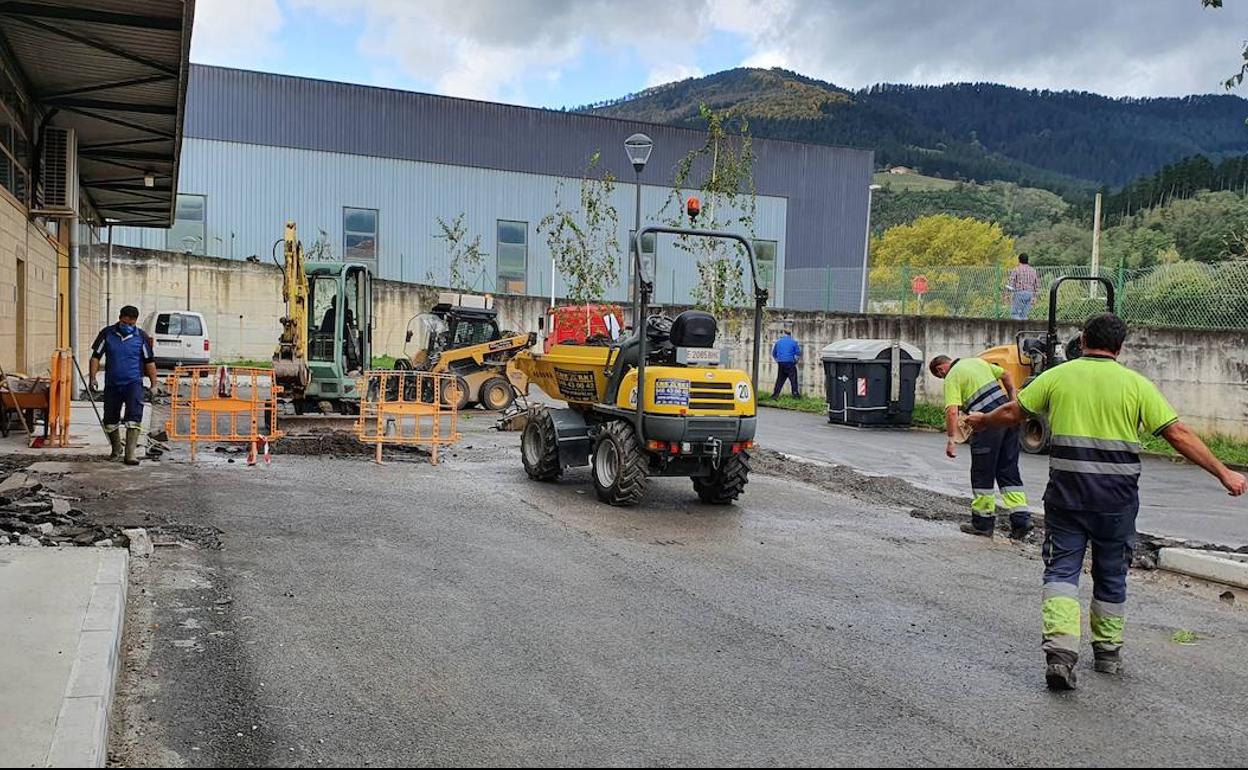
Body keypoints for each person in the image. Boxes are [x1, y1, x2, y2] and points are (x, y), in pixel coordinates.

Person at [968, 313, 1245, 691]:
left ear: (1082, 340)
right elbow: (1177, 433)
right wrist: (1223, 473)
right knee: (1111, 574)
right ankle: (1108, 654)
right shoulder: (1136, 385)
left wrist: (982, 421)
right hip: (1116, 502)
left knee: (1062, 572)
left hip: (1067, 498)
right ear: (1121, 346)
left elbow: (1014, 412)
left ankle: (1061, 655)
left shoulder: (1056, 377)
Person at [929, 354, 1031, 539]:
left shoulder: (952, 376)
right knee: (1008, 469)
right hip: (1007, 418)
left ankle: (983, 524)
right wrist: (1012, 402)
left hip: (986, 424)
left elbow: (952, 411)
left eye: (940, 376)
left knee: (982, 473)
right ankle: (1021, 519)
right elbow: (1007, 375)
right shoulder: (976, 361)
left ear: (941, 369)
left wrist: (952, 439)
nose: (943, 378)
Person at [88, 305, 157, 466]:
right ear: (120, 318)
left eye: (132, 324)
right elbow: (95, 357)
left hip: (133, 383)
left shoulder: (141, 337)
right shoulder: (107, 334)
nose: (129, 327)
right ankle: (116, 448)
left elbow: (150, 362)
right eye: (127, 323)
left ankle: (130, 454)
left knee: (134, 417)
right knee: (110, 419)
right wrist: (92, 378)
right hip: (112, 383)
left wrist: (154, 384)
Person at [1006, 253, 1040, 320]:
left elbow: (1011, 283)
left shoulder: (1016, 269)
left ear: (1019, 260)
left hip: (1019, 293)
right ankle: (1024, 329)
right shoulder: (1033, 270)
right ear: (1027, 260)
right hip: (1030, 294)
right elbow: (1037, 284)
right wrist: (1035, 296)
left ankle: (1017, 329)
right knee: (1024, 315)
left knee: (1015, 314)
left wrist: (1007, 294)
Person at [771, 329, 802, 399]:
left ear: (784, 334)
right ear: (790, 334)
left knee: (780, 380)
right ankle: (795, 394)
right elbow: (798, 354)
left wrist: (778, 361)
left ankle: (775, 395)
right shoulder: (794, 342)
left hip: (781, 363)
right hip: (790, 363)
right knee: (793, 379)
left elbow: (774, 354)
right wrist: (795, 362)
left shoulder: (778, 342)